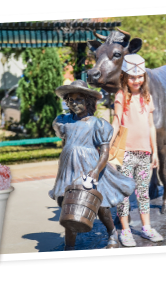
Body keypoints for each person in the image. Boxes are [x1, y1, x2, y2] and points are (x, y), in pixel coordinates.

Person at [49, 80, 135, 250]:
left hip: (90, 168)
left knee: (101, 206)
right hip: (68, 169)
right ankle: (69, 247)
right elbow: (65, 141)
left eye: (79, 99)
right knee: (69, 206)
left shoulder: (98, 124)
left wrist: (95, 171)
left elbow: (104, 152)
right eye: (71, 100)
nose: (74, 103)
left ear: (88, 101)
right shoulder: (64, 122)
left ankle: (112, 233)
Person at [112, 54, 163, 246]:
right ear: (124, 77)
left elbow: (151, 126)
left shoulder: (146, 96)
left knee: (143, 192)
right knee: (124, 194)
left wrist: (154, 152)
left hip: (144, 154)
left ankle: (146, 228)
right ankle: (125, 231)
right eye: (132, 77)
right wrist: (110, 143)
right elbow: (117, 121)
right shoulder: (120, 96)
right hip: (125, 153)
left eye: (140, 76)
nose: (136, 80)